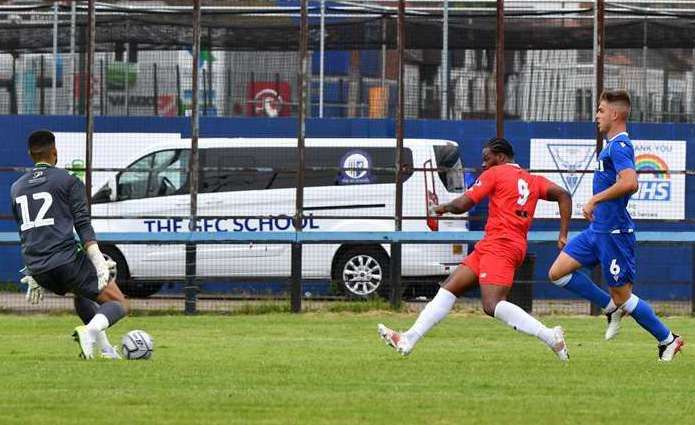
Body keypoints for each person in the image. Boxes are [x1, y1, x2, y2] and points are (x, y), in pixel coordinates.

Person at [378, 137, 573, 361]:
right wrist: (563, 234)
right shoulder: (532, 179)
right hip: (499, 243)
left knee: (492, 305)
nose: (484, 165)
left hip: (500, 245)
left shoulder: (495, 173)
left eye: (487, 159)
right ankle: (408, 339)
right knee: (449, 288)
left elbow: (462, 205)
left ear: (500, 158)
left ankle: (551, 337)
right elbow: (563, 195)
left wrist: (441, 208)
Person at [547, 90, 683, 361]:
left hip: (614, 234)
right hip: (596, 232)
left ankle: (668, 339)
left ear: (615, 114)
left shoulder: (621, 146)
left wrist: (594, 200)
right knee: (558, 273)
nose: (596, 115)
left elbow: (630, 182)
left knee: (624, 297)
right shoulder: (609, 146)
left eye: (600, 110)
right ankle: (610, 308)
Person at [11, 129, 129, 360]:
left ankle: (106, 350)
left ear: (30, 154)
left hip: (39, 270)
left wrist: (31, 271)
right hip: (66, 262)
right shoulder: (68, 180)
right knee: (119, 303)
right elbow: (83, 224)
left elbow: (25, 231)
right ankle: (90, 331)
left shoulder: (16, 187)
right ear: (54, 151)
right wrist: (98, 262)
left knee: (82, 296)